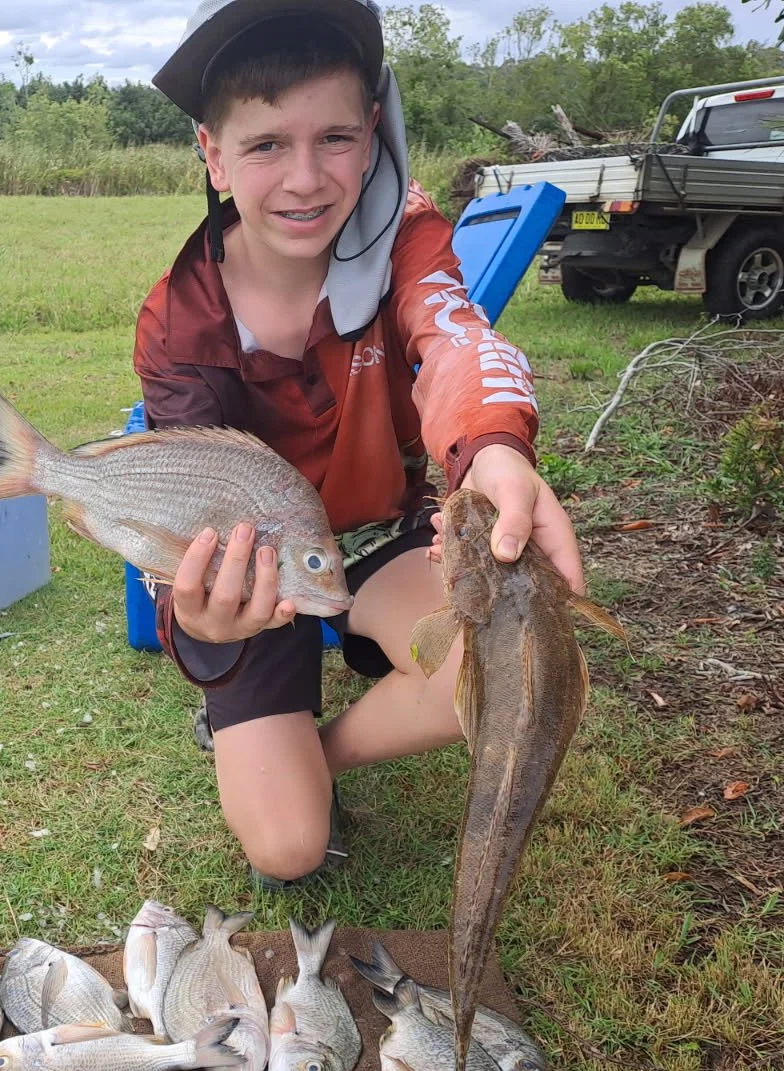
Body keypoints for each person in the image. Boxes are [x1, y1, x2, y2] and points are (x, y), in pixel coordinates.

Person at [135, 0, 584, 890]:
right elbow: (177, 515)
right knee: (289, 851)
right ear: (212, 151)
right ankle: (275, 730)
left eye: (335, 137)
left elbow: (456, 338)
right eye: (266, 145)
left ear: (374, 131)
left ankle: (318, 749)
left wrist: (494, 447)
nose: (306, 178)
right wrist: (202, 627)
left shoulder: (407, 235)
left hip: (382, 534)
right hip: (261, 568)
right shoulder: (178, 321)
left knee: (501, 663)